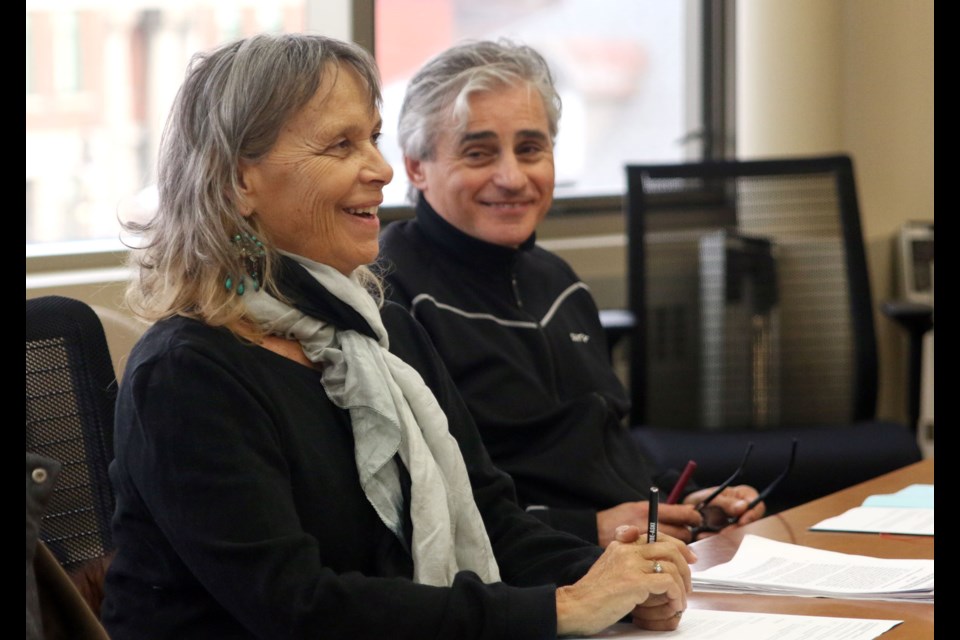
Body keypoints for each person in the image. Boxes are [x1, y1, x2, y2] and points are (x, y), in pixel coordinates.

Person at [100, 33, 696, 640]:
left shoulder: (382, 337)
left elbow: (493, 522)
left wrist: (616, 580)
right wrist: (563, 607)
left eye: (373, 138)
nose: (382, 169)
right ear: (238, 181)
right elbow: (297, 609)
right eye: (340, 145)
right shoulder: (187, 374)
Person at [377, 39, 766, 549]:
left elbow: (601, 447)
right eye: (478, 153)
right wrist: (588, 529)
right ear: (415, 168)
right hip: (535, 580)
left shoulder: (557, 280)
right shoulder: (391, 292)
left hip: (640, 558)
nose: (513, 177)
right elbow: (421, 500)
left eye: (531, 149)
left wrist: (686, 502)